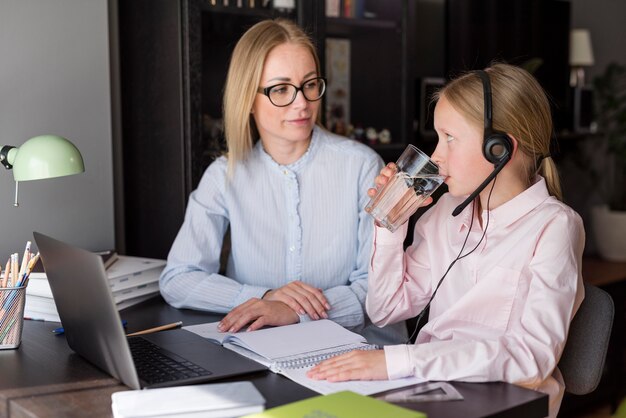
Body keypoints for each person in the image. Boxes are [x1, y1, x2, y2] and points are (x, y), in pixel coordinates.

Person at [307, 63, 585, 418]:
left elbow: (530, 358)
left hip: (505, 404)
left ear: (499, 149)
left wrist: (398, 361)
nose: (435, 156)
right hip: (429, 387)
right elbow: (385, 310)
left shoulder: (555, 227)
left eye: (449, 138)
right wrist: (391, 224)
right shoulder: (448, 212)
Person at [159, 18, 406, 345]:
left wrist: (294, 313)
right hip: (264, 350)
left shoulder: (361, 166)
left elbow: (377, 291)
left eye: (310, 85)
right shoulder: (224, 174)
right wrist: (265, 297)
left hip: (357, 350)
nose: (302, 103)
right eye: (280, 89)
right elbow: (178, 279)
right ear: (247, 98)